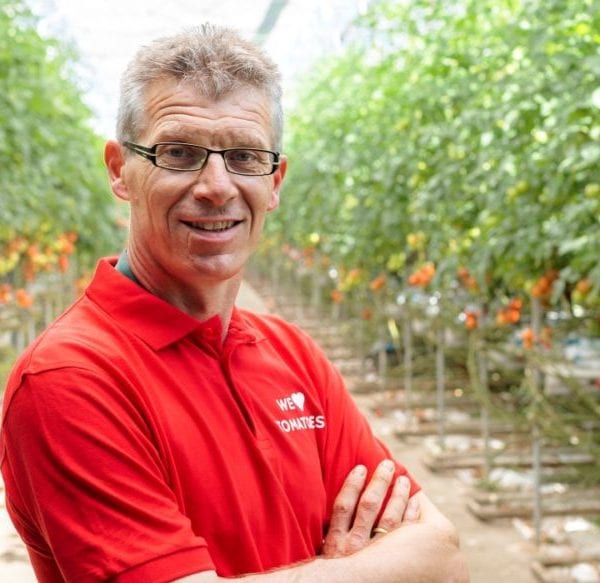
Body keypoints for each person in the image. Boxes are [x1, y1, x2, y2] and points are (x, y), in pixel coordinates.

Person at [0, 25, 468, 582]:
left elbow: (443, 552)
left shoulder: (295, 356)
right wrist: (365, 568)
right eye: (179, 153)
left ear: (275, 180)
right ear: (119, 169)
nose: (217, 185)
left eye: (245, 156)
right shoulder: (71, 379)